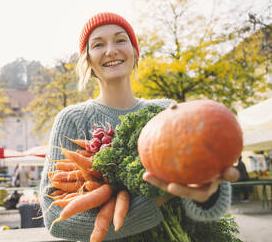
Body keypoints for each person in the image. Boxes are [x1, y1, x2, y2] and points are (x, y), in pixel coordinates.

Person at [39, 12, 240, 241]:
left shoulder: (168, 111)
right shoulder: (72, 119)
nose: (111, 50)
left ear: (135, 51)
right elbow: (54, 216)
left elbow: (204, 206)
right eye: (98, 44)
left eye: (120, 40)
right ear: (87, 60)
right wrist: (155, 201)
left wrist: (207, 189)